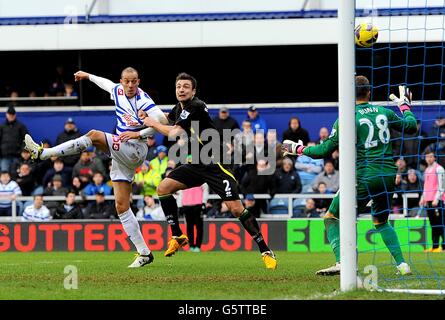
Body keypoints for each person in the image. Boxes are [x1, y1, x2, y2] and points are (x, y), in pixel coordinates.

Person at [24, 67, 169, 267]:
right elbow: (105, 83)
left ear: (138, 81)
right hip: (122, 151)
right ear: (122, 81)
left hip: (136, 149)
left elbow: (163, 121)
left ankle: (43, 153)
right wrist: (87, 76)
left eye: (133, 81)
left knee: (93, 135)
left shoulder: (143, 100)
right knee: (121, 205)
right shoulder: (117, 90)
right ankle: (144, 253)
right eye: (126, 81)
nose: (130, 85)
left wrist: (140, 133)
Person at [282, 76, 417, 276]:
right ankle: (402, 265)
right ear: (369, 92)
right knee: (381, 221)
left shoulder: (347, 117)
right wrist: (404, 105)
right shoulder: (384, 112)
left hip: (364, 176)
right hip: (389, 176)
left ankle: (342, 263)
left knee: (331, 217)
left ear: (348, 94)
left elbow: (323, 150)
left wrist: (298, 148)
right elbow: (411, 126)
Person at [141, 72, 277, 269]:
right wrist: (148, 116)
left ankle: (265, 250)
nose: (181, 89)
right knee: (163, 188)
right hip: (196, 162)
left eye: (186, 86)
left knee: (236, 209)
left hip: (216, 164)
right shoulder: (179, 108)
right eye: (178, 86)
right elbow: (167, 120)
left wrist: (151, 122)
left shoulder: (195, 105)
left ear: (193, 91)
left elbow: (173, 132)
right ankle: (178, 235)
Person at [419, 151, 445, 252]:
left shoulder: (439, 169)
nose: (428, 159)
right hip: (428, 201)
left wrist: (436, 198)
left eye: (430, 157)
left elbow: (442, 186)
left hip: (437, 201)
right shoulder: (427, 170)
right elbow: (426, 186)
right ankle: (435, 247)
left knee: (441, 223)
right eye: (427, 157)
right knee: (433, 224)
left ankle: (443, 247)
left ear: (434, 158)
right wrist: (423, 198)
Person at [178, 183, 208, 252]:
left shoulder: (201, 177)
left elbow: (205, 190)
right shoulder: (184, 179)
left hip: (198, 205)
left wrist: (203, 202)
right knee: (189, 227)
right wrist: (180, 205)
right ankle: (191, 246)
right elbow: (181, 192)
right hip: (186, 205)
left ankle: (198, 246)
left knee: (199, 227)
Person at [0, 106, 29, 172]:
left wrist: (21, 151)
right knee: (4, 174)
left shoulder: (21, 126)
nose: (11, 116)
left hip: (17, 156)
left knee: (15, 174)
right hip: (4, 156)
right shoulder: (2, 126)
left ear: (15, 115)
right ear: (6, 114)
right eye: (9, 114)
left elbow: (26, 140)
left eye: (12, 114)